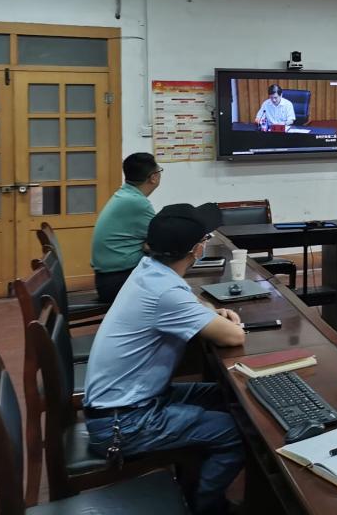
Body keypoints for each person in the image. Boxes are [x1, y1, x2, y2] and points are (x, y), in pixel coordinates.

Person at [84, 203, 246, 515]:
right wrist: (221, 321)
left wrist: (211, 314)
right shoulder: (164, 292)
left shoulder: (149, 270)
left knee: (227, 396)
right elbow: (233, 337)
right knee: (235, 431)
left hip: (125, 404)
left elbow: (189, 301)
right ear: (198, 249)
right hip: (123, 423)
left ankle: (193, 484)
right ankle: (207, 508)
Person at [90, 152, 161, 303]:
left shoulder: (125, 194)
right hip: (117, 282)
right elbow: (160, 241)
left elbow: (150, 241)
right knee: (169, 285)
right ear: (153, 177)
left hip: (109, 278)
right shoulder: (137, 202)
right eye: (159, 170)